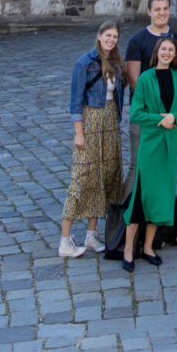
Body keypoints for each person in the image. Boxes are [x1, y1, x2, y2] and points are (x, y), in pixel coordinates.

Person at [122, 37, 177, 271]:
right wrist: (162, 119)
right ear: (157, 52)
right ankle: (129, 249)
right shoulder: (145, 78)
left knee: (161, 197)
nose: (167, 52)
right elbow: (136, 114)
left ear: (174, 55)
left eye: (171, 50)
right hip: (150, 146)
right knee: (141, 198)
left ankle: (149, 246)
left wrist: (175, 116)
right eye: (163, 48)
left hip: (170, 147)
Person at [60, 22, 127, 258]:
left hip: (110, 122)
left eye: (115, 36)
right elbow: (75, 102)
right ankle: (65, 241)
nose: (111, 39)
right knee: (82, 178)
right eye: (108, 35)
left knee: (106, 177)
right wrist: (79, 133)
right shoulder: (84, 62)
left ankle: (91, 235)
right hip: (90, 121)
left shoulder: (118, 64)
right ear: (99, 36)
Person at [124, 0, 177, 195]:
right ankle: (127, 219)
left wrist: (170, 116)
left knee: (164, 170)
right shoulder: (137, 40)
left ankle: (158, 218)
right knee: (138, 167)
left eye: (165, 8)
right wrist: (157, 114)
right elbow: (135, 80)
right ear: (149, 11)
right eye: (157, 9)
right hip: (145, 116)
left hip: (170, 118)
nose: (162, 13)